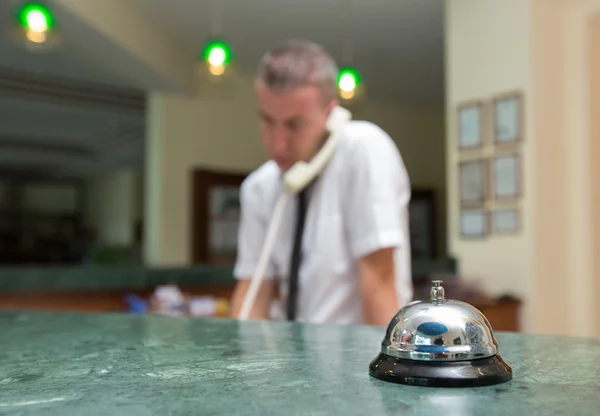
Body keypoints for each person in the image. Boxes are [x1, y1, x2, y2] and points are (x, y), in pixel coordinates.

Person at [229, 40, 413, 325]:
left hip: (360, 360)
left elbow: (379, 282)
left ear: (330, 114)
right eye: (267, 120)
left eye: (294, 125)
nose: (278, 143)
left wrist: (386, 367)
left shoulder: (363, 150)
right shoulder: (259, 188)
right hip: (292, 361)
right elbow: (253, 292)